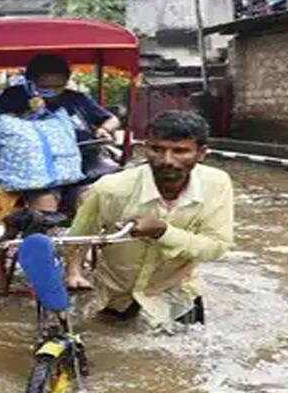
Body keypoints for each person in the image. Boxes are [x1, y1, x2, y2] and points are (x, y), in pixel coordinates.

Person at [65, 110, 234, 334]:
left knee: (185, 360)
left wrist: (163, 232)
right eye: (157, 149)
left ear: (201, 153)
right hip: (116, 294)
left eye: (180, 151)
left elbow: (216, 247)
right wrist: (73, 273)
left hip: (176, 292)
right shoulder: (111, 189)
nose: (167, 161)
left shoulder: (216, 184)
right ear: (145, 147)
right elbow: (78, 237)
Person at [0, 54, 121, 212]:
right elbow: (0, 126)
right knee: (44, 206)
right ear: (31, 82)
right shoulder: (13, 97)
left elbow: (111, 119)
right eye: (45, 87)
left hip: (85, 164)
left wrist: (104, 129)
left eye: (58, 86)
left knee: (88, 200)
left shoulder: (77, 99)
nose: (52, 92)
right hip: (37, 170)